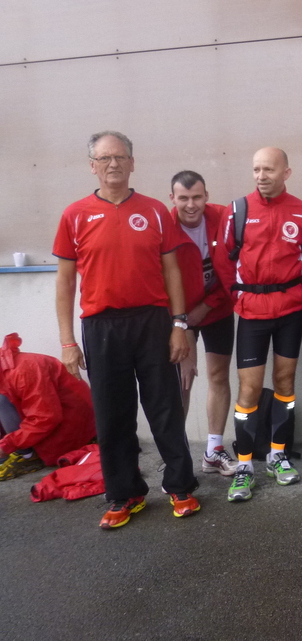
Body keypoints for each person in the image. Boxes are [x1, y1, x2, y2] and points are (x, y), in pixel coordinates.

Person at [53, 131, 199, 529]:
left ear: (133, 163)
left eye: (120, 157)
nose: (113, 164)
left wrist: (179, 324)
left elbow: (172, 271)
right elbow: (65, 283)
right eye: (105, 158)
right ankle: (125, 494)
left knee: (165, 408)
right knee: (112, 416)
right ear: (92, 166)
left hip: (153, 322)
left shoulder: (154, 211)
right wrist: (67, 341)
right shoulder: (74, 214)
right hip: (101, 326)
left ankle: (180, 487)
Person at [216, 147, 302, 502]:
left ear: (286, 173)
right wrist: (239, 298)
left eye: (269, 169)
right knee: (250, 388)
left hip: (289, 309)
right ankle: (244, 466)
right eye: (257, 169)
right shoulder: (237, 210)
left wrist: (292, 293)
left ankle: (277, 455)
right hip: (252, 312)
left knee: (285, 381)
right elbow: (224, 260)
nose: (261, 176)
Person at [169, 170, 239, 476]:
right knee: (182, 381)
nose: (191, 205)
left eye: (197, 197)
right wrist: (182, 324)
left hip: (217, 308)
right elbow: (160, 281)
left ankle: (213, 451)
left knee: (218, 375)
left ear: (206, 196)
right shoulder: (164, 226)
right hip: (179, 316)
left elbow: (235, 270)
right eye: (183, 198)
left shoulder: (223, 217)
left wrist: (208, 306)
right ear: (172, 198)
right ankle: (176, 453)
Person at [0, 333, 96, 480]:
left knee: (1, 399)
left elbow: (46, 418)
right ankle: (23, 451)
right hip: (53, 419)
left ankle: (26, 456)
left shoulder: (23, 370)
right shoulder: (7, 368)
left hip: (73, 425)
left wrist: (7, 444)